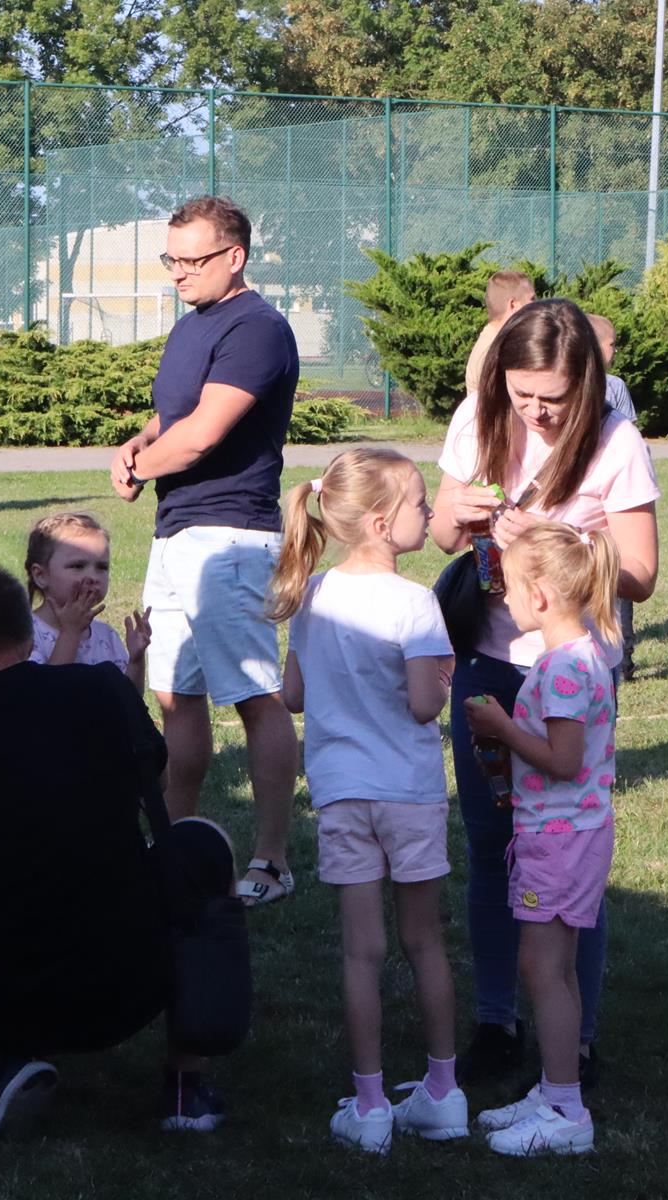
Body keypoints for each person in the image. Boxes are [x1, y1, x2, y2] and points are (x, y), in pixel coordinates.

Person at [0, 566, 227, 1142]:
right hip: (135, 978)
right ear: (25, 632)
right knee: (203, 846)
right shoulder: (103, 690)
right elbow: (157, 785)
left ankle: (11, 1058)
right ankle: (186, 1082)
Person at [427, 299, 659, 1087]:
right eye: (522, 393)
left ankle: (576, 1039)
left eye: (552, 398)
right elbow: (441, 533)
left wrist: (560, 544)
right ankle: (497, 1020)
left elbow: (642, 574)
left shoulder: (615, 441)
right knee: (493, 848)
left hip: (571, 670)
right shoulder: (479, 418)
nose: (536, 412)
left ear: (586, 381)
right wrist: (460, 515)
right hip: (488, 663)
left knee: (569, 859)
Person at [267, 449, 466, 1154]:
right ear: (382, 523)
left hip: (342, 795)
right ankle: (442, 1093)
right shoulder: (415, 602)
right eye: (421, 503)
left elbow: (292, 695)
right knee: (424, 941)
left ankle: (371, 1102)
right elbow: (423, 705)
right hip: (409, 792)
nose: (431, 512)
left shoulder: (313, 594)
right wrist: (444, 677)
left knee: (361, 951)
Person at [107, 195, 301, 906]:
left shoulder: (258, 328)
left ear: (235, 256)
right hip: (177, 531)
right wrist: (137, 440)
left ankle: (272, 861)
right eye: (172, 259)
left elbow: (203, 435)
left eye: (193, 260)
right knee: (175, 696)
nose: (179, 272)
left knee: (253, 696)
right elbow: (173, 417)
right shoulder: (194, 324)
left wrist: (139, 467)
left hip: (231, 538)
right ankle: (174, 844)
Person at [464, 521, 623, 1157]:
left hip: (559, 839)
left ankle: (564, 1111)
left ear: (539, 596)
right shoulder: (580, 657)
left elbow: (562, 759)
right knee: (554, 967)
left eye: (508, 588)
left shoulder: (563, 669)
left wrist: (503, 728)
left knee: (542, 967)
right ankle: (557, 1091)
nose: (503, 600)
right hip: (567, 833)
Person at [24, 510, 151, 692]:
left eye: (102, 567)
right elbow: (48, 693)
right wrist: (70, 632)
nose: (93, 576)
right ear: (41, 575)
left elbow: (129, 700)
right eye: (78, 566)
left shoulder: (106, 636)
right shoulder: (26, 634)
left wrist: (136, 660)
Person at [585, 312, 640, 679]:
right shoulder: (585, 385)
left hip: (614, 507)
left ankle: (624, 654)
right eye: (611, 343)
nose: (615, 350)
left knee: (620, 577)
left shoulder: (615, 387)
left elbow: (629, 435)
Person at [464, 270, 536, 400]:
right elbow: (496, 407)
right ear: (513, 305)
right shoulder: (493, 350)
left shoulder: (501, 340)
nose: (537, 305)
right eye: (532, 299)